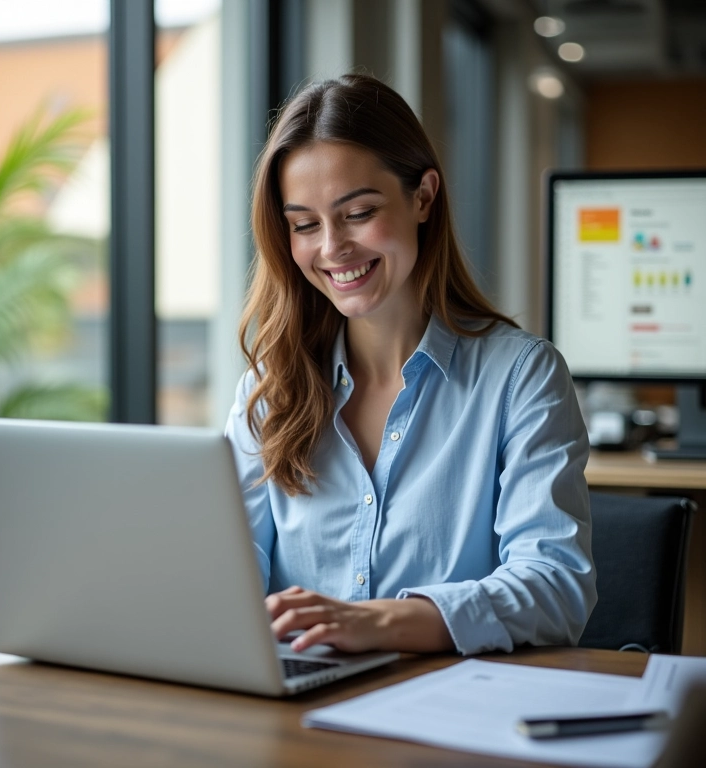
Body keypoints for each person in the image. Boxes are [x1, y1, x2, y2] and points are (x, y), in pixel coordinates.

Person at [225, 73, 596, 657]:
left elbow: (555, 587)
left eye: (358, 212)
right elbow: (224, 578)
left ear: (423, 196)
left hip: (449, 716)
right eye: (304, 224)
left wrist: (378, 622)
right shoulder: (270, 391)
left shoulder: (522, 377)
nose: (331, 249)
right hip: (298, 715)